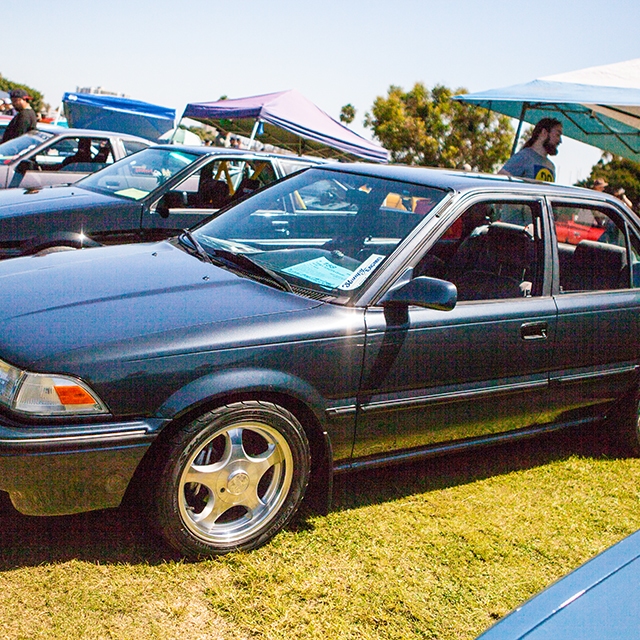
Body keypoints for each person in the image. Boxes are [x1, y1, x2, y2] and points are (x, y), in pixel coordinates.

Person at [498, 118, 563, 182]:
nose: (560, 141)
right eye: (557, 135)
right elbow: (501, 179)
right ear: (544, 133)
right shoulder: (523, 157)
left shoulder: (551, 166)